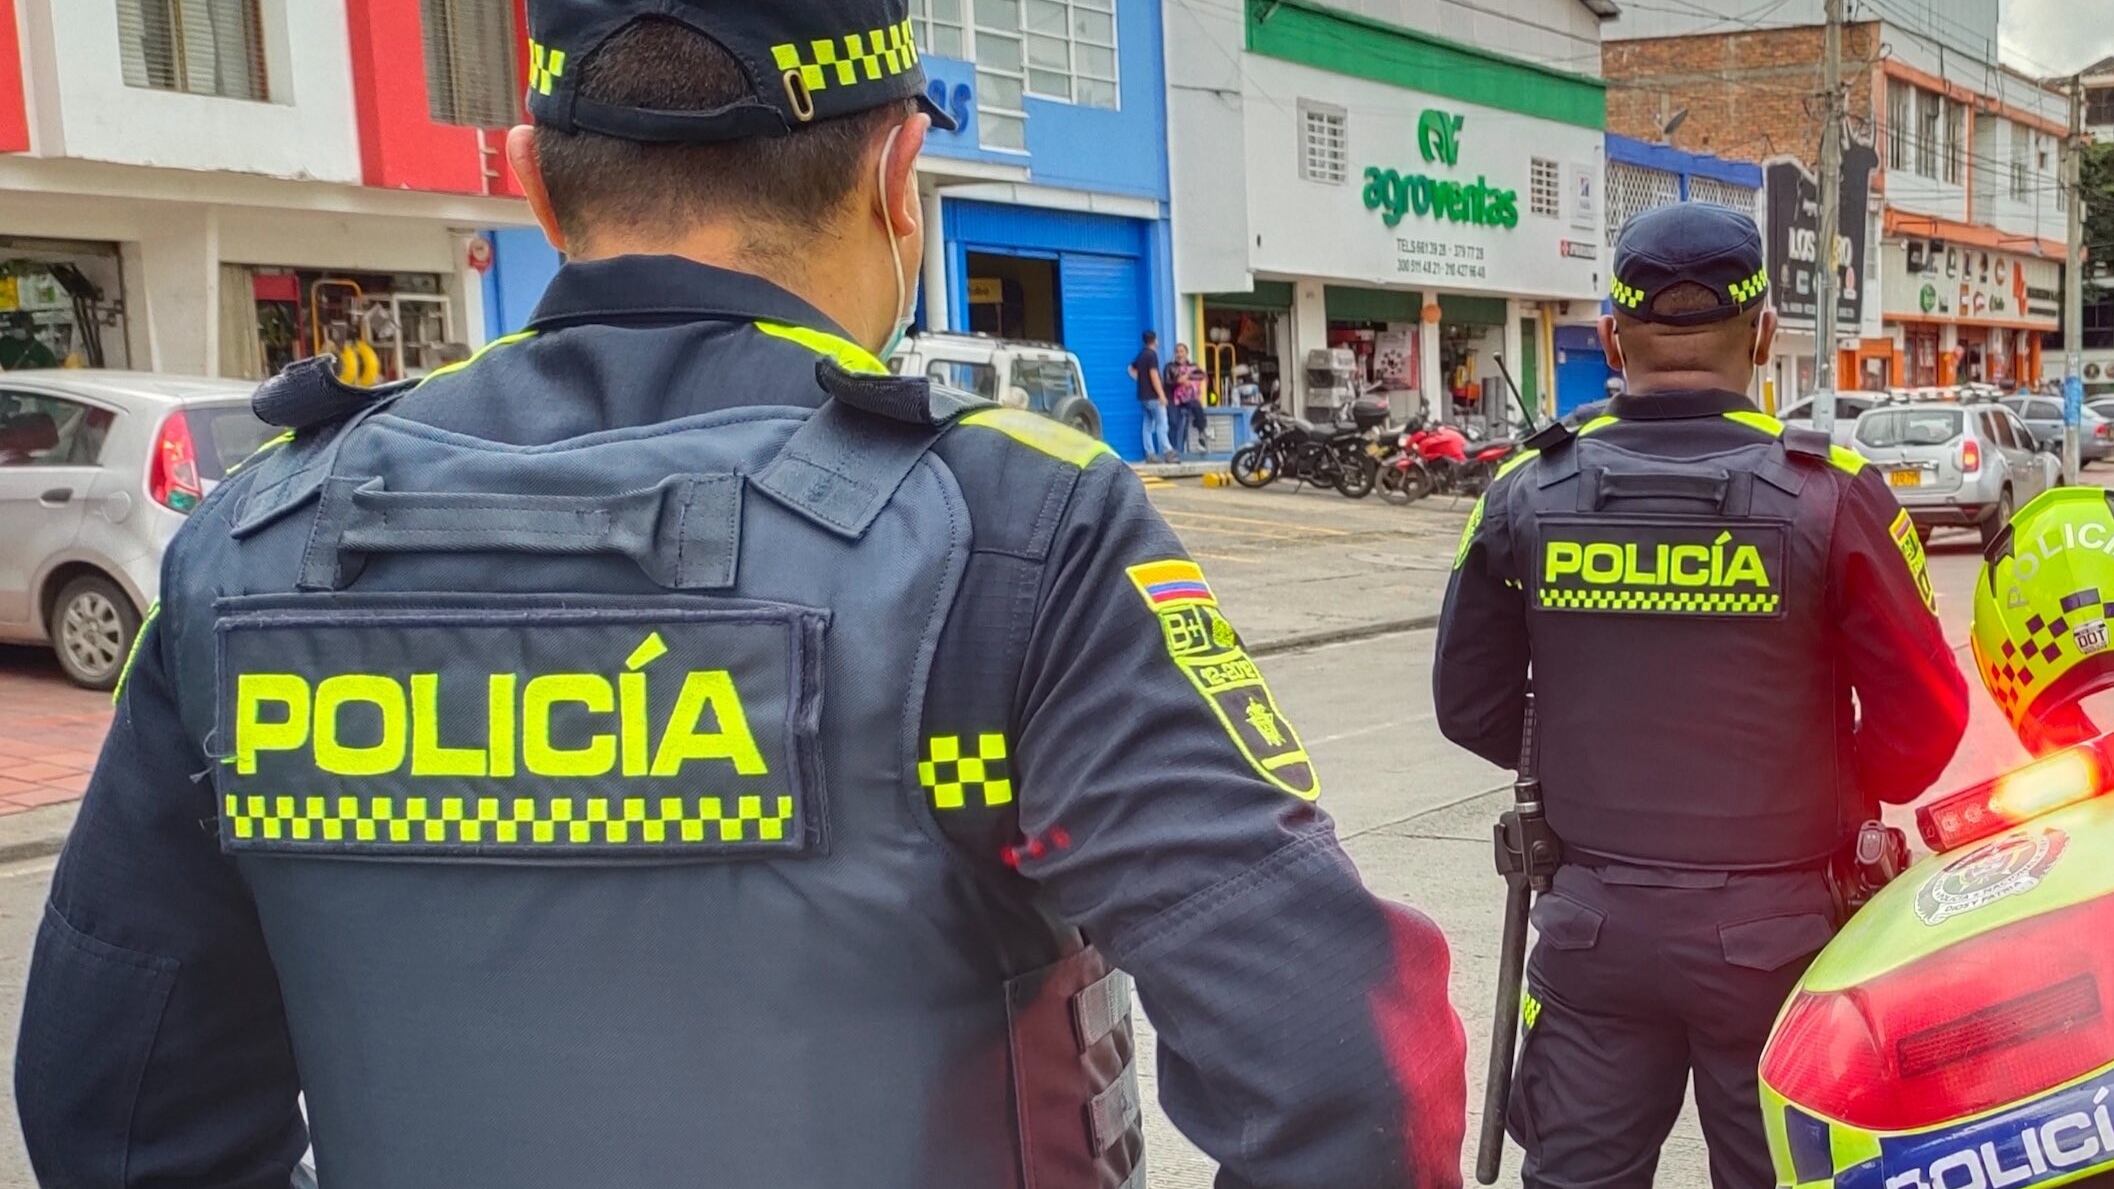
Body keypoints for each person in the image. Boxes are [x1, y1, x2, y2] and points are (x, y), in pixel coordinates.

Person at [15, 3, 1470, 1187]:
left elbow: (115, 1105)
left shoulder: (253, 535)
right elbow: (1344, 1068)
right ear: (898, 177)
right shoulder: (1015, 526)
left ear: (531, 178)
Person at [1432, 202, 1968, 1189]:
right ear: (1763, 334)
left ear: (1611, 338)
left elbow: (1467, 703)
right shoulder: (1835, 492)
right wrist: (1812, 774)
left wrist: (1587, 761)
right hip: (1782, 939)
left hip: (1591, 929)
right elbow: (1926, 723)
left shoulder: (1524, 489)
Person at [1130, 328, 1175, 461]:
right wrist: (1161, 395)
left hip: (1143, 396)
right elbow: (1154, 375)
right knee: (1162, 423)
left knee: (1147, 425)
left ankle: (1150, 453)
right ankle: (1168, 451)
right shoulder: (1152, 355)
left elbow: (1130, 368)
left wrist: (1140, 380)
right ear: (1155, 340)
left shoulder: (1142, 354)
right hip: (1153, 396)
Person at [1165, 342, 1205, 454]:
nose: (1179, 354)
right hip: (1173, 399)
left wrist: (1188, 378)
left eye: (1182, 351)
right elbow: (1167, 382)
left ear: (1187, 353)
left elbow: (1201, 376)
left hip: (1189, 397)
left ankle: (1201, 436)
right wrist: (1178, 381)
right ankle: (1172, 451)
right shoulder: (1170, 367)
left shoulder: (1193, 366)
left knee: (1197, 407)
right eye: (1177, 352)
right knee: (1174, 422)